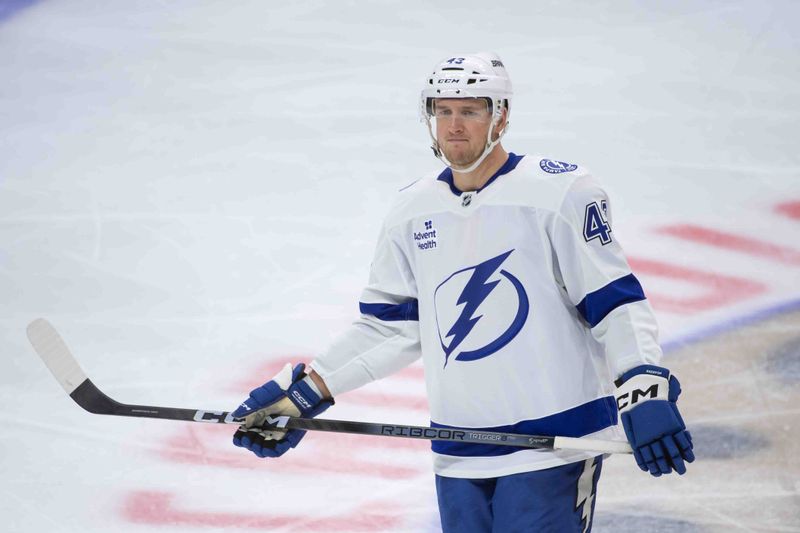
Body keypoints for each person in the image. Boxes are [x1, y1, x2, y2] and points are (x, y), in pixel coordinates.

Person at [230, 52, 694, 532]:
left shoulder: (559, 192)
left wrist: (642, 384)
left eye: (470, 110)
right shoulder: (412, 209)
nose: (453, 126)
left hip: (554, 443)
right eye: (442, 110)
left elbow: (613, 301)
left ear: (502, 116)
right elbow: (389, 327)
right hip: (458, 451)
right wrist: (304, 393)